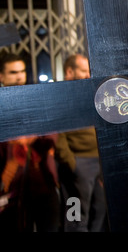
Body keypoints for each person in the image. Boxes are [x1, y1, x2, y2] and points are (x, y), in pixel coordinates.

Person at [0, 53, 60, 232]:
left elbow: (51, 133)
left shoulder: (36, 99)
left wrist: (29, 136)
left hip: (43, 182)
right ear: (1, 76)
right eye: (13, 72)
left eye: (22, 71)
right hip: (10, 187)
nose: (19, 76)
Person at [55, 54, 108, 232]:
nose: (88, 75)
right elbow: (57, 134)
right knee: (76, 215)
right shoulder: (60, 97)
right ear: (70, 71)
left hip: (96, 163)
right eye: (84, 71)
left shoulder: (90, 93)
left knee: (100, 209)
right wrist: (72, 163)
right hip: (78, 163)